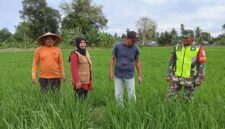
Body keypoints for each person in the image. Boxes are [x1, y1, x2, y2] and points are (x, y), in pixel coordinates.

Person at [165, 29, 207, 101]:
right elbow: (171, 62)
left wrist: (200, 78)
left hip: (191, 78)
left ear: (192, 38)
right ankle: (169, 110)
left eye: (186, 38)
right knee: (170, 98)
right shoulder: (177, 47)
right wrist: (168, 74)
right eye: (183, 37)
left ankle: (186, 111)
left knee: (188, 100)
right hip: (176, 77)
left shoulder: (198, 49)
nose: (184, 39)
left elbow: (202, 65)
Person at [109, 31, 142, 105]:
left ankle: (132, 109)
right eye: (133, 41)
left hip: (129, 75)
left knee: (131, 94)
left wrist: (140, 75)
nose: (134, 43)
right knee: (118, 93)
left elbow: (137, 62)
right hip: (118, 74)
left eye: (135, 41)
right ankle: (120, 109)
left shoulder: (136, 49)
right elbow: (112, 58)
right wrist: (111, 72)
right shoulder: (118, 46)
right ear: (127, 38)